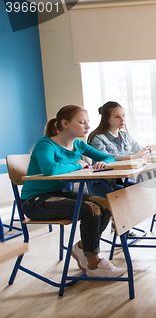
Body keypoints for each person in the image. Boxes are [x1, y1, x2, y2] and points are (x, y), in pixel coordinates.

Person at [20, 105, 125, 277]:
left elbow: (108, 157)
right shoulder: (45, 144)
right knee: (90, 209)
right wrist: (77, 164)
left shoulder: (78, 144)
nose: (87, 126)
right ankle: (93, 264)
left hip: (59, 194)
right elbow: (50, 170)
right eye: (82, 122)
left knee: (105, 205)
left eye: (87, 122)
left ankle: (83, 247)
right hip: (35, 201)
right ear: (65, 124)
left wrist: (103, 163)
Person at [87, 101, 150, 198]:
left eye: (123, 115)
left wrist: (148, 151)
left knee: (145, 191)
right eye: (117, 117)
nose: (122, 119)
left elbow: (140, 150)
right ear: (107, 119)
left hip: (122, 180)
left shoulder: (125, 135)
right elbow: (106, 158)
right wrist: (133, 157)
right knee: (135, 196)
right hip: (102, 183)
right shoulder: (97, 138)